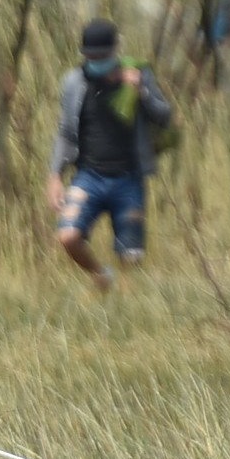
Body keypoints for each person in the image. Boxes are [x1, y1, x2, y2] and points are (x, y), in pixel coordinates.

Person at [45, 18, 174, 290]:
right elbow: (66, 133)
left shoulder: (137, 75)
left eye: (102, 56)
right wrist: (55, 175)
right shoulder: (74, 83)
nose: (97, 61)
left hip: (128, 178)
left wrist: (141, 92)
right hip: (88, 177)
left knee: (131, 256)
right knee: (68, 237)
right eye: (91, 56)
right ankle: (101, 275)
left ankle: (123, 304)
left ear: (115, 51)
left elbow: (164, 116)